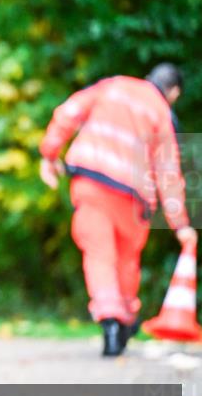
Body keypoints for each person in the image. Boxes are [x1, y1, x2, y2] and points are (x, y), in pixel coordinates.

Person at [39, 63, 196, 356]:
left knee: (100, 255)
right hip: (133, 197)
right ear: (173, 92)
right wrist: (181, 224)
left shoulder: (114, 85)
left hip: (92, 182)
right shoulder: (161, 113)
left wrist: (49, 153)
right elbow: (168, 172)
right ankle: (125, 318)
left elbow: (68, 112)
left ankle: (110, 319)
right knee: (126, 259)